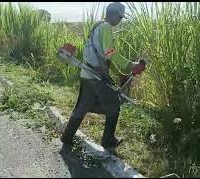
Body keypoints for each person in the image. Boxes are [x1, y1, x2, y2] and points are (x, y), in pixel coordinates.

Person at [60, 2, 146, 149]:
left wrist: (119, 74)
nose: (120, 20)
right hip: (96, 77)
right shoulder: (105, 27)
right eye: (119, 17)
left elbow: (103, 58)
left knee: (82, 106)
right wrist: (131, 65)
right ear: (112, 14)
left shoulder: (97, 27)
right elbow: (110, 53)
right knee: (114, 106)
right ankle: (108, 140)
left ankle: (67, 137)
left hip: (87, 74)